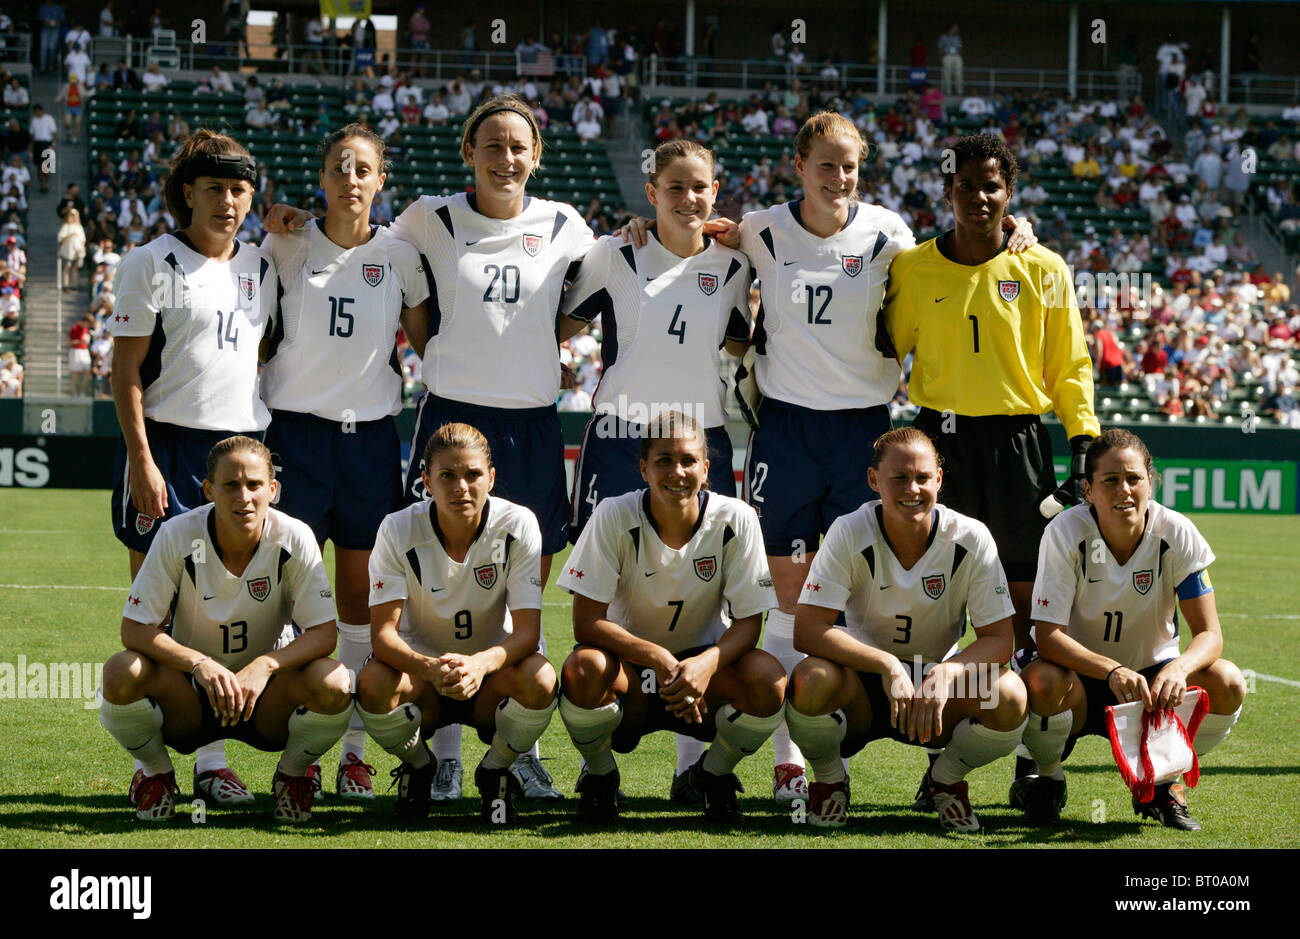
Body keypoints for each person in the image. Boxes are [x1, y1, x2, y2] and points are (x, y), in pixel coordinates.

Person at [265, 95, 599, 802]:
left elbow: (587, 300)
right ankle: (442, 752)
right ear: (468, 154)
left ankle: (520, 748)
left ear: (537, 155)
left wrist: (539, 348)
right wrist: (289, 217)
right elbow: (408, 312)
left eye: (519, 147)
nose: (506, 159)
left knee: (519, 592)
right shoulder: (427, 217)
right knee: (432, 588)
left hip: (534, 425)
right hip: (451, 416)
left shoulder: (566, 224)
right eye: (491, 146)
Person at [704, 113, 1036, 803]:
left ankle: (891, 710)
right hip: (787, 429)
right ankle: (793, 759)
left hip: (863, 427)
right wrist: (656, 230)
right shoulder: (763, 228)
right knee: (791, 595)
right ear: (799, 165)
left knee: (864, 581)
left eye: (850, 166)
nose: (839, 177)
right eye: (826, 164)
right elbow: (707, 240)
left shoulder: (888, 232)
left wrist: (1016, 230)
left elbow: (957, 255)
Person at [881, 134, 1097, 792]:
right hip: (938, 447)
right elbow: (886, 346)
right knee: (939, 604)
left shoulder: (1045, 269)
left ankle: (1038, 754)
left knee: (1030, 606)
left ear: (1010, 194)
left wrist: (1082, 438)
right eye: (967, 185)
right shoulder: (914, 267)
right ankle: (941, 761)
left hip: (1018, 448)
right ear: (947, 191)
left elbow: (1069, 363)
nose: (979, 196)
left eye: (992, 186)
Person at [561, 138, 752, 804]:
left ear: (716, 190)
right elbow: (558, 321)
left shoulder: (734, 264)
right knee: (611, 583)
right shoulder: (615, 253)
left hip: (702, 438)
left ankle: (689, 761)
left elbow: (743, 339)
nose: (689, 198)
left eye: (700, 187)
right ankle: (599, 753)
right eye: (675, 187)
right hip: (618, 434)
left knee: (705, 590)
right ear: (652, 192)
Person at [259, 124, 430, 801]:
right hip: (294, 439)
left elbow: (427, 345)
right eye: (339, 167)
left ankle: (355, 751)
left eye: (363, 168)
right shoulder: (284, 242)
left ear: (379, 180)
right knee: (285, 597)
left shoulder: (400, 254)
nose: (351, 179)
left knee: (359, 599)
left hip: (367, 442)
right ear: (323, 178)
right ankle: (298, 746)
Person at [110, 130, 277, 807]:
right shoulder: (150, 260)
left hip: (238, 453)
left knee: (222, 613)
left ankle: (212, 762)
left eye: (240, 190)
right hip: (168, 451)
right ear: (187, 192)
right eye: (214, 189)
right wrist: (143, 459)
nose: (229, 202)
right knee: (161, 621)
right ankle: (156, 764)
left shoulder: (264, 266)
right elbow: (124, 372)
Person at [98, 436, 353, 822]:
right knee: (120, 671)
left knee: (336, 682)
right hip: (190, 697)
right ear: (208, 490)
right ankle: (155, 774)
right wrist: (199, 664)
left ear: (273, 489)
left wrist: (265, 665)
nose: (243, 497)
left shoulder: (295, 537)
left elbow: (323, 634)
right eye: (230, 485)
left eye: (253, 485)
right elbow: (135, 629)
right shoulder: (177, 534)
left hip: (266, 701)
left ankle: (292, 776)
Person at [784, 428, 1028, 830]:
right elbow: (808, 630)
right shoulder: (849, 530)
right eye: (898, 478)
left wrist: (947, 672)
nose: (912, 489)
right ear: (873, 480)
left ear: (939, 480)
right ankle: (830, 782)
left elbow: (1001, 640)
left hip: (937, 690)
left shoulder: (971, 537)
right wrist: (887, 666)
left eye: (922, 478)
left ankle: (944, 781)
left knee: (1009, 694)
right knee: (810, 678)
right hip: (864, 687)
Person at [556, 411, 786, 821]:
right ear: (643, 467)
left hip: (705, 674)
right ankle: (600, 776)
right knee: (584, 668)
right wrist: (660, 659)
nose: (677, 472)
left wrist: (705, 663)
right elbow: (585, 622)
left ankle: (711, 776)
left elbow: (751, 623)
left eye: (688, 460)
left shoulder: (738, 518)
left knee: (769, 680)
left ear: (707, 468)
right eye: (663, 460)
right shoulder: (613, 514)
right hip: (631, 673)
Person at [1015, 429, 1246, 829]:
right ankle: (1046, 777)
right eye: (1110, 480)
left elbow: (1209, 634)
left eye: (1134, 479)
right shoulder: (1065, 533)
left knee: (1227, 681)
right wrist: (1110, 669)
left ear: (1151, 482)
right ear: (1088, 489)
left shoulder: (1176, 531)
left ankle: (1164, 781)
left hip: (1152, 682)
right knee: (1040, 683)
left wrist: (1179, 669)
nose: (1124, 490)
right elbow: (1048, 636)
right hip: (1080, 679)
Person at [355, 423, 558, 824]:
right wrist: (430, 668)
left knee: (541, 679)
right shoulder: (397, 528)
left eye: (472, 475)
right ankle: (418, 766)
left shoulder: (518, 524)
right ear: (426, 480)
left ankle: (496, 770)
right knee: (374, 684)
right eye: (447, 475)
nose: (460, 486)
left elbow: (528, 634)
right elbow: (381, 636)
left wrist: (480, 664)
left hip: (491, 676)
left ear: (491, 478)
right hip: (421, 677)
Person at [67, 311, 93, 396]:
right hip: (75, 351)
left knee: (87, 373)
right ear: (85, 322)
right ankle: (74, 393)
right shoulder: (75, 328)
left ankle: (82, 392)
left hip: (84, 351)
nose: (89, 326)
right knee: (76, 373)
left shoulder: (86, 330)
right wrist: (80, 342)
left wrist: (85, 342)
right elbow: (69, 342)